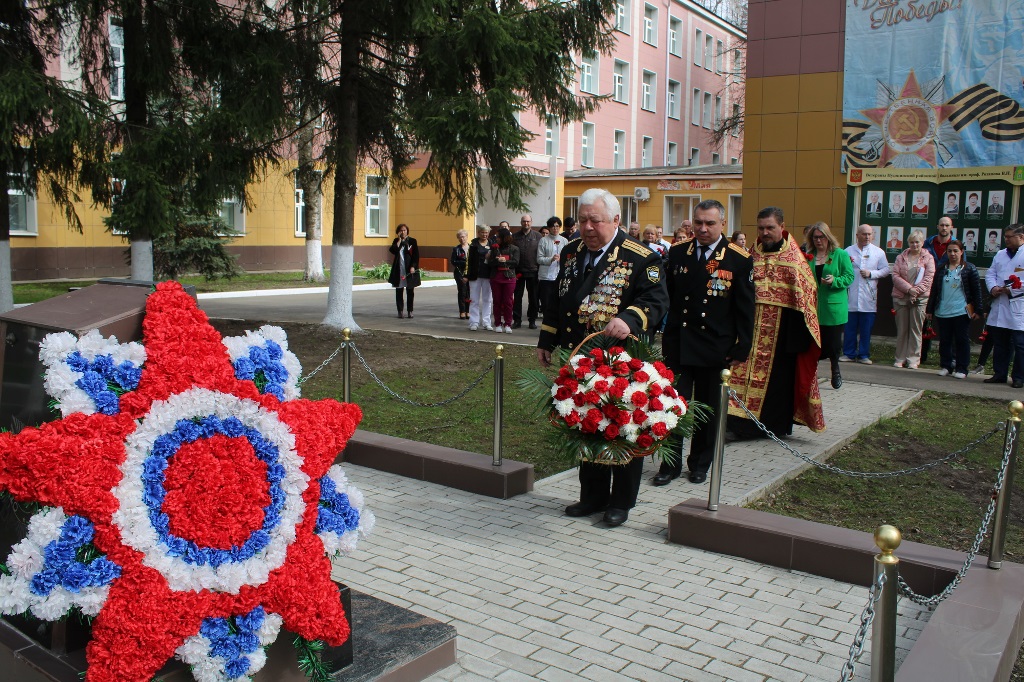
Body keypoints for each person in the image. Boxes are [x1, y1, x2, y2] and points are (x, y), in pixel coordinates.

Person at [537, 188, 667, 528]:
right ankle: (592, 496)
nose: (588, 228)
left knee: (623, 426)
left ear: (616, 220)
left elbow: (656, 299)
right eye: (582, 220)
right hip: (581, 357)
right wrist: (546, 338)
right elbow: (558, 300)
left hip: (621, 362)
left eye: (595, 220)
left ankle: (621, 502)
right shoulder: (570, 251)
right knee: (587, 422)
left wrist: (630, 317)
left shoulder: (641, 257)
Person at [654, 199, 754, 487]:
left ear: (722, 224)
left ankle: (700, 464)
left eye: (709, 223)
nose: (702, 228)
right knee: (673, 406)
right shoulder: (678, 253)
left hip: (715, 347)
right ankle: (669, 464)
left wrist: (741, 347)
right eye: (698, 222)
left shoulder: (737, 258)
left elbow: (746, 308)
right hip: (680, 344)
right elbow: (668, 297)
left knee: (708, 411)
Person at [728, 207, 826, 439]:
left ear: (781, 227)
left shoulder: (794, 260)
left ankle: (772, 426)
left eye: (770, 228)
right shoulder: (751, 256)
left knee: (777, 383)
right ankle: (738, 425)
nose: (765, 233)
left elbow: (806, 296)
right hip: (749, 331)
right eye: (761, 228)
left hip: (782, 336)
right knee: (739, 376)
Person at [807, 222, 854, 389]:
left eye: (821, 237)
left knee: (832, 344)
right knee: (813, 344)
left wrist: (835, 280)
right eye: (815, 237)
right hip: (813, 307)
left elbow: (849, 277)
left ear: (828, 237)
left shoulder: (840, 254)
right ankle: (812, 374)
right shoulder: (809, 255)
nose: (819, 241)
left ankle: (835, 369)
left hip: (833, 307)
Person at [926, 240, 982, 379]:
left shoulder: (969, 269)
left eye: (956, 251)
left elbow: (976, 291)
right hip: (943, 310)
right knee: (945, 340)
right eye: (950, 251)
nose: (953, 254)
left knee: (961, 340)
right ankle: (946, 365)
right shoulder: (941, 269)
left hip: (961, 311)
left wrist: (978, 310)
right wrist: (930, 310)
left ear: (961, 252)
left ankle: (962, 368)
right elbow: (934, 290)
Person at [841, 224, 890, 364]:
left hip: (868, 296)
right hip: (851, 295)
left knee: (866, 329)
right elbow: (842, 269)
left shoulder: (878, 252)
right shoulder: (848, 251)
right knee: (849, 328)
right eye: (864, 234)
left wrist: (872, 274)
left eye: (869, 234)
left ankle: (863, 354)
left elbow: (886, 270)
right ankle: (849, 353)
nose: (867, 237)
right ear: (857, 235)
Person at [983, 224, 1024, 388]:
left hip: (1018, 305)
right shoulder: (1000, 254)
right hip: (999, 302)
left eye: (1009, 237)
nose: (1006, 239)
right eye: (1005, 236)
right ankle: (1000, 373)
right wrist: (993, 288)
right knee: (1000, 343)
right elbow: (990, 273)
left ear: (1021, 237)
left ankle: (1019, 377)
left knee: (1020, 345)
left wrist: (1013, 289)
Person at [891, 232, 935, 369]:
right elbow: (895, 276)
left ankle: (913, 359)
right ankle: (900, 358)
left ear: (922, 243)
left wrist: (916, 291)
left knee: (915, 330)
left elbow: (929, 278)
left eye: (917, 242)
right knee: (902, 329)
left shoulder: (928, 258)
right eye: (912, 242)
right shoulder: (900, 257)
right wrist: (909, 289)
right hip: (901, 297)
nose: (915, 245)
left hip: (919, 299)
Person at [487, 227, 519, 333]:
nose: (496, 239)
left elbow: (516, 262)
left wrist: (505, 260)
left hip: (509, 277)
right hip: (496, 277)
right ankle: (497, 323)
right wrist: (497, 261)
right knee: (497, 301)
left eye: (498, 237)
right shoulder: (494, 248)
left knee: (508, 302)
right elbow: (490, 263)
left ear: (504, 238)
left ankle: (508, 323)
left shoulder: (514, 248)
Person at [512, 214, 541, 329]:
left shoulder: (538, 236)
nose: (526, 223)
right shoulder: (515, 237)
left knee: (533, 298)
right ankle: (517, 320)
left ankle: (532, 320)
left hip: (533, 271)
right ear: (521, 222)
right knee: (517, 297)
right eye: (524, 221)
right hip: (518, 271)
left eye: (528, 221)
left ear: (531, 222)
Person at [388, 223, 420, 318]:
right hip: (399, 269)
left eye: (404, 230)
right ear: (398, 232)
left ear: (407, 231)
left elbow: (416, 255)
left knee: (410, 291)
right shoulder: (396, 241)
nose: (403, 232)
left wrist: (413, 266)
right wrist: (399, 240)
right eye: (401, 230)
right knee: (399, 291)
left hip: (408, 269)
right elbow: (393, 250)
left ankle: (410, 311)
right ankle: (400, 311)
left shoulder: (412, 241)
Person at [466, 225, 494, 331]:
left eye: (486, 232)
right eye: (482, 232)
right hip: (475, 276)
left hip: (488, 275)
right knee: (474, 300)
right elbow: (469, 260)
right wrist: (466, 275)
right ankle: (474, 322)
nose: (484, 234)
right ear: (478, 233)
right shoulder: (473, 244)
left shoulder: (492, 244)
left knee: (488, 300)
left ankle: (487, 322)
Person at [536, 224, 565, 317]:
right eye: (553, 226)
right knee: (546, 303)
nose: (555, 228)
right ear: (549, 227)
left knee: (560, 303)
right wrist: (550, 259)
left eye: (557, 226)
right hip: (546, 277)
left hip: (560, 276)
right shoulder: (543, 240)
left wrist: (562, 259)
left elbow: (569, 259)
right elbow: (539, 259)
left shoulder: (564, 240)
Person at [451, 229, 471, 320]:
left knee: (469, 292)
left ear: (467, 237)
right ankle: (462, 311)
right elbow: (453, 261)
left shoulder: (471, 248)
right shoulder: (456, 249)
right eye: (460, 237)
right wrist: (463, 262)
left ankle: (468, 311)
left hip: (470, 273)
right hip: (460, 273)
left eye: (463, 236)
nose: (462, 239)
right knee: (462, 292)